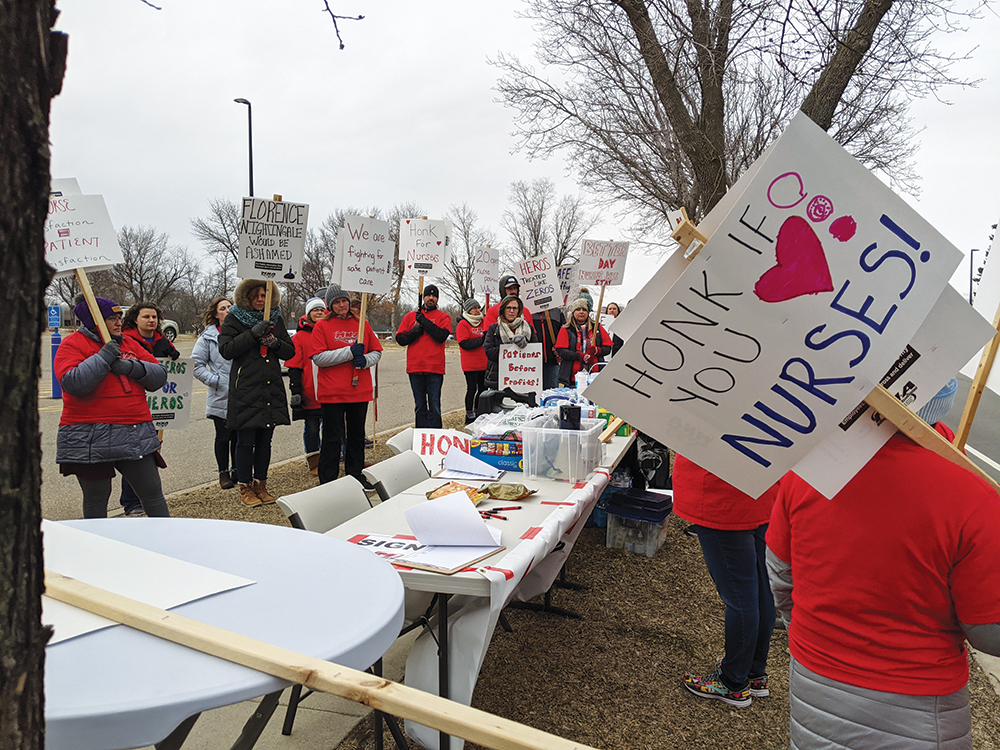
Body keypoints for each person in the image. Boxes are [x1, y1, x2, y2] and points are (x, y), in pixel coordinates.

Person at [767, 380, 1000, 748]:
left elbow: (780, 574)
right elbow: (990, 632)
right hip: (917, 710)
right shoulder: (975, 496)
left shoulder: (813, 466)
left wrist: (814, 630)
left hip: (814, 682)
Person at [674, 456, 779, 707]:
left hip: (722, 499)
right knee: (760, 588)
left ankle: (733, 681)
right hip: (761, 492)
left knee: (741, 595)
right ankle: (754, 673)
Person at [54, 295, 170, 518]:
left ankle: (167, 545)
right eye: (111, 318)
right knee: (96, 499)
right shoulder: (72, 344)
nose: (119, 322)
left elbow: (159, 377)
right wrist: (104, 356)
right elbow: (73, 383)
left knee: (153, 494)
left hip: (134, 431)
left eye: (119, 317)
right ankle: (96, 550)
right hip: (88, 435)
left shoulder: (128, 343)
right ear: (93, 320)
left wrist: (131, 367)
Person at [219, 279, 295, 508]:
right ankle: (245, 485)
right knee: (245, 441)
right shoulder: (234, 318)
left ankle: (262, 483)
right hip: (245, 388)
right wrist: (252, 334)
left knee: (265, 441)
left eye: (265, 295)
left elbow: (290, 351)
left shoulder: (276, 318)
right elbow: (227, 350)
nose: (262, 299)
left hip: (270, 386)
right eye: (257, 295)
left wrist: (273, 342)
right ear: (247, 296)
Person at [310, 284, 382, 487]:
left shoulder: (362, 324)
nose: (341, 305)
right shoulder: (322, 326)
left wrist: (365, 360)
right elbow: (319, 357)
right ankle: (328, 480)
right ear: (330, 305)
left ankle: (355, 475)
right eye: (337, 302)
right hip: (332, 392)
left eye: (344, 301)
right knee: (332, 438)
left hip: (358, 391)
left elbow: (376, 352)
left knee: (356, 436)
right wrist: (349, 352)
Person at [118, 301, 181, 516]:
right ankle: (131, 502)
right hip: (135, 408)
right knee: (134, 456)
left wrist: (172, 354)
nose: (151, 321)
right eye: (146, 317)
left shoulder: (163, 341)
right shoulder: (125, 340)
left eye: (154, 317)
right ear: (135, 319)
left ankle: (148, 500)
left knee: (150, 456)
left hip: (157, 407)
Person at [192, 296, 238, 490]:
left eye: (230, 307)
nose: (227, 310)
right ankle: (223, 473)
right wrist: (215, 380)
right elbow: (196, 365)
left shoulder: (242, 332)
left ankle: (239, 469)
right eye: (222, 308)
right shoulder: (208, 337)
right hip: (221, 394)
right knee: (223, 436)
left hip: (243, 392)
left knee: (240, 436)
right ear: (215, 314)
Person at [395, 284, 452, 428]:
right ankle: (421, 439)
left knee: (434, 406)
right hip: (415, 368)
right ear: (424, 297)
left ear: (437, 299)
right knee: (420, 406)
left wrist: (424, 322)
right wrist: (414, 331)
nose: (431, 298)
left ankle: (435, 437)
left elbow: (441, 336)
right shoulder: (410, 317)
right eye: (428, 295)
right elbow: (401, 339)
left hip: (435, 369)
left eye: (434, 296)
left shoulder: (443, 317)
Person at [287, 297, 327, 476]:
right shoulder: (300, 337)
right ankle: (313, 461)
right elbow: (294, 367)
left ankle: (328, 458)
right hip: (309, 391)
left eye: (321, 309)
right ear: (308, 313)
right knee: (311, 428)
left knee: (330, 427)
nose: (319, 312)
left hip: (329, 390)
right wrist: (296, 391)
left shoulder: (327, 332)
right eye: (315, 310)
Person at [484, 294, 539, 390]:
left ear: (519, 310)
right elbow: (489, 351)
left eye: (515, 308)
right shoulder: (494, 328)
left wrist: (524, 345)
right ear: (503, 310)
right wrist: (512, 348)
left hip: (523, 378)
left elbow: (535, 353)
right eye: (508, 308)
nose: (512, 311)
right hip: (498, 378)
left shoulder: (528, 328)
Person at [555, 297, 611, 387]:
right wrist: (581, 356)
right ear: (573, 312)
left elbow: (608, 348)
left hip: (595, 376)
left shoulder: (597, 328)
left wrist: (597, 350)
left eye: (584, 309)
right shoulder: (565, 329)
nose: (581, 312)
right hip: (570, 378)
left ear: (588, 312)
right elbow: (561, 351)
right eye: (578, 309)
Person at [456, 298, 488, 423]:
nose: (477, 310)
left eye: (478, 307)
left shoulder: (484, 321)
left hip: (484, 363)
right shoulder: (463, 324)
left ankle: (478, 410)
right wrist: (482, 339)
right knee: (471, 389)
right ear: (468, 310)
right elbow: (465, 343)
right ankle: (469, 413)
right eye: (474, 308)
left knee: (483, 389)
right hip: (470, 364)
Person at [532, 304, 565, 391]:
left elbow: (564, 333)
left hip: (552, 362)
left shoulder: (556, 312)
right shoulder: (526, 312)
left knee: (552, 395)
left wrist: (559, 346)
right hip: (532, 364)